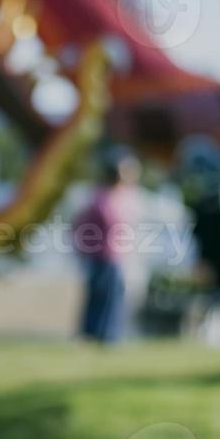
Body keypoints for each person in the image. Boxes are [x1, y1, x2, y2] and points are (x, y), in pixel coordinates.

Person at [72, 147, 140, 343]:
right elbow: (79, 226)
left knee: (114, 298)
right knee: (101, 298)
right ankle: (95, 336)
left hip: (117, 257)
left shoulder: (124, 196)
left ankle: (108, 336)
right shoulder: (100, 198)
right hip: (101, 257)